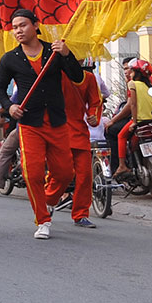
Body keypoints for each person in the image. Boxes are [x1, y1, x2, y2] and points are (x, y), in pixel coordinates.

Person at [0, 8, 83, 239]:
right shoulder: (10, 58)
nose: (18, 31)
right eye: (14, 28)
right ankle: (42, 219)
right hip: (29, 123)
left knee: (64, 173)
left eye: (22, 25)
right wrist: (9, 106)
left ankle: (48, 200)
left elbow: (77, 77)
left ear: (35, 25)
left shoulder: (53, 52)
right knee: (31, 172)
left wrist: (67, 54)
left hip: (56, 121)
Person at [50, 57, 98, 228]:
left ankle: (80, 214)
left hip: (79, 132)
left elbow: (95, 103)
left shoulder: (89, 78)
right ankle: (48, 201)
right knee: (60, 174)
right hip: (58, 131)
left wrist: (94, 116)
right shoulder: (56, 74)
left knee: (85, 175)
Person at [108, 59, 152, 178]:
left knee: (120, 135)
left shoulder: (132, 84)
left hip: (139, 120)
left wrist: (134, 122)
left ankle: (121, 166)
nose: (128, 73)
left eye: (130, 70)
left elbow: (133, 105)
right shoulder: (150, 86)